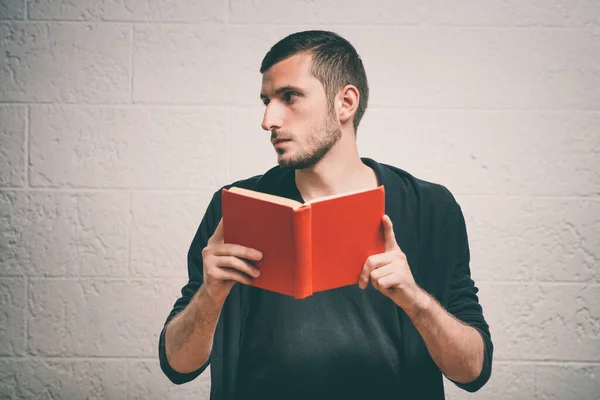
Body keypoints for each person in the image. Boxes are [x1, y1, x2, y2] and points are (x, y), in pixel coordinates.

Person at [158, 30, 493, 400]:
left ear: (345, 103)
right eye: (266, 101)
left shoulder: (430, 207)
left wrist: (417, 301)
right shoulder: (235, 206)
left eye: (290, 97)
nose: (269, 119)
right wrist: (210, 295)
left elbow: (472, 371)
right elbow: (177, 365)